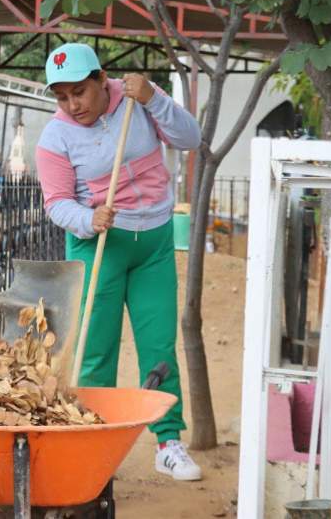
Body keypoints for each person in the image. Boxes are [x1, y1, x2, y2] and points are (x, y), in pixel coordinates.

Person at [35, 43, 203, 481]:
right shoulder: (55, 136)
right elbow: (56, 204)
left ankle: (168, 442)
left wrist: (155, 98)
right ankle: (95, 447)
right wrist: (89, 219)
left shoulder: (138, 101)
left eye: (79, 92)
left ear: (100, 78)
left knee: (159, 344)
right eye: (62, 96)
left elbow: (191, 139)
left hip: (153, 242)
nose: (73, 105)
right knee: (95, 349)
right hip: (98, 245)